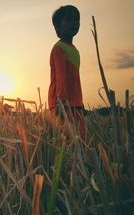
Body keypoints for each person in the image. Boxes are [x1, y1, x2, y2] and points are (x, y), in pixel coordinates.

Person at [48, 5, 85, 139]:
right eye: (69, 19)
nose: (74, 23)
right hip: (62, 104)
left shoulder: (74, 50)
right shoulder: (59, 48)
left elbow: (75, 80)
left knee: (81, 139)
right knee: (66, 141)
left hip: (75, 103)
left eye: (77, 20)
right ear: (57, 26)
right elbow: (61, 77)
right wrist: (61, 103)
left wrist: (80, 102)